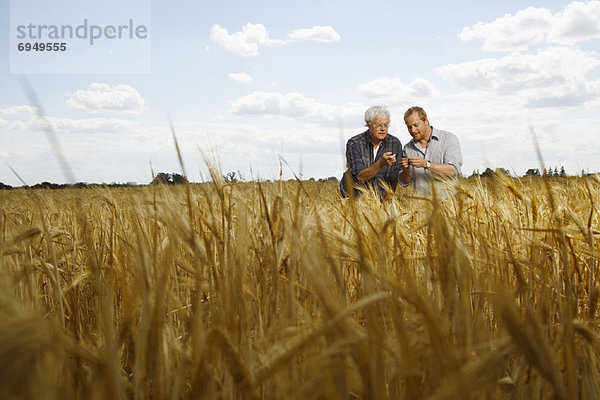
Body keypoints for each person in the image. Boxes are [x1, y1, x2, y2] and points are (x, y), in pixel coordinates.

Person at [339, 105, 402, 200]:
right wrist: (381, 163)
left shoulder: (394, 144)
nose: (383, 129)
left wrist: (386, 203)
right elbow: (361, 177)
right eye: (379, 125)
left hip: (381, 202)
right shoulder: (354, 143)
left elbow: (393, 180)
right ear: (368, 124)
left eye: (386, 125)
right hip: (353, 199)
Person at [399, 106, 462, 195]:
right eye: (409, 127)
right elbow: (405, 182)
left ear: (426, 121)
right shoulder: (407, 148)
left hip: (449, 204)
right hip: (421, 205)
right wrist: (405, 170)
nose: (413, 130)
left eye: (416, 125)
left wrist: (426, 164)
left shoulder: (448, 139)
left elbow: (452, 171)